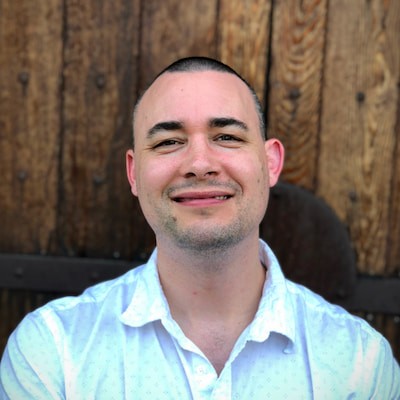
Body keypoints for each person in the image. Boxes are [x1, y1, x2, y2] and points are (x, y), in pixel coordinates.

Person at [0, 56, 399, 399]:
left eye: (226, 136)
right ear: (134, 173)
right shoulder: (53, 351)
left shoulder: (359, 363)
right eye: (169, 142)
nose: (199, 163)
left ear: (271, 163)